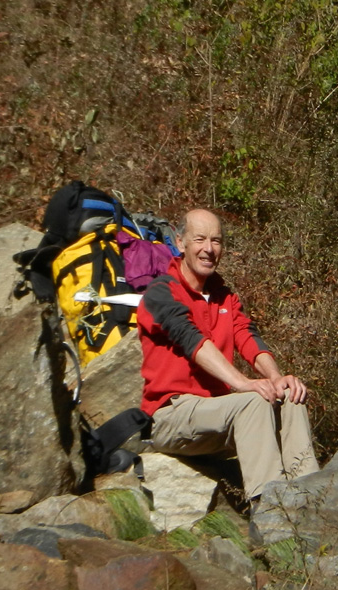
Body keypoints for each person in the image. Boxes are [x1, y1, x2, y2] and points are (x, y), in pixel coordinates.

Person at [137, 208, 319, 501]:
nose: (209, 249)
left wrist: (276, 378)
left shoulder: (225, 296)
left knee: (291, 400)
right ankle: (272, 512)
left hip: (220, 414)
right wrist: (243, 383)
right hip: (172, 414)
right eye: (200, 240)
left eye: (216, 241)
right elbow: (191, 340)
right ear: (180, 242)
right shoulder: (161, 292)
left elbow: (247, 337)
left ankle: (309, 500)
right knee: (253, 402)